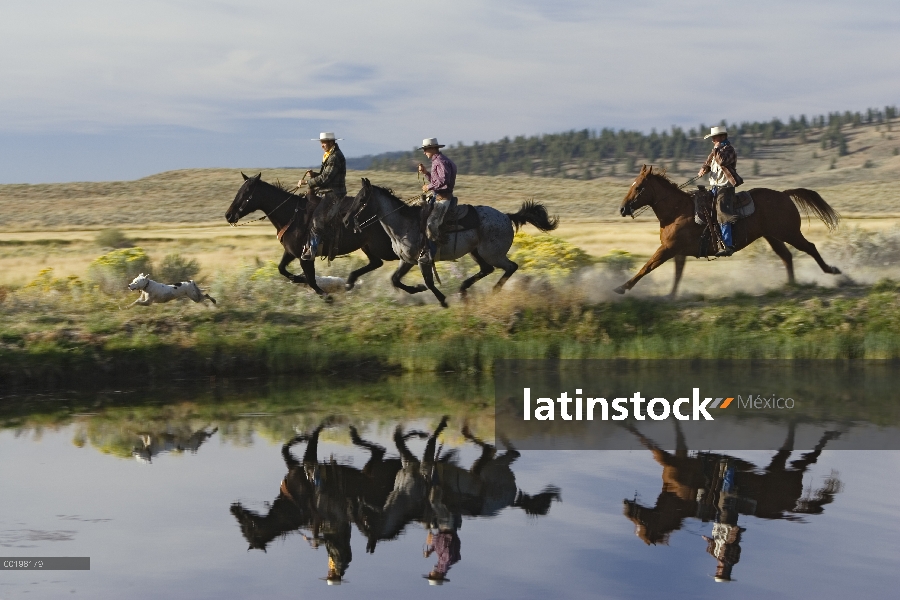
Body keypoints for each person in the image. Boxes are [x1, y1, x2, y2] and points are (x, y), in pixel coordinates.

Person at [300, 132, 347, 260]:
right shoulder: (329, 155)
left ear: (331, 143)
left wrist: (307, 182)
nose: (322, 145)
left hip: (334, 194)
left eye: (324, 142)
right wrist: (314, 175)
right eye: (321, 142)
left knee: (317, 218)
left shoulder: (335, 157)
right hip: (327, 192)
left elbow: (326, 178)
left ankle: (312, 250)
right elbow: (326, 175)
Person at [697, 126, 743, 257]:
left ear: (722, 137)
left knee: (722, 212)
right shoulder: (715, 151)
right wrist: (704, 169)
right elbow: (708, 162)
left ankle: (728, 245)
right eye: (712, 138)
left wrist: (716, 149)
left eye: (714, 137)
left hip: (725, 187)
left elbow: (722, 160)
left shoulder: (729, 150)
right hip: (714, 187)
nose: (712, 140)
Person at [416, 138, 458, 262]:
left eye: (425, 149)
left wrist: (428, 187)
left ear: (433, 148)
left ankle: (431, 255)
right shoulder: (438, 160)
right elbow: (437, 181)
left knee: (431, 224)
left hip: (443, 198)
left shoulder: (440, 161)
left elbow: (443, 181)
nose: (424, 152)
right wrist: (425, 173)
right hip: (438, 196)